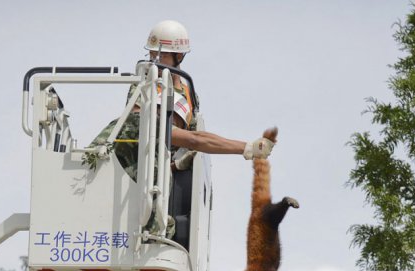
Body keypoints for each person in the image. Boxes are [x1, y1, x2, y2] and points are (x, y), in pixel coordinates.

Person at [87, 20, 277, 179]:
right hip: (114, 167)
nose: (154, 60)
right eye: (152, 54)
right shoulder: (144, 84)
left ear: (179, 55)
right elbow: (146, 129)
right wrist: (248, 148)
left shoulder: (189, 96)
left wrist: (177, 165)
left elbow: (192, 142)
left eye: (160, 55)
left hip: (152, 174)